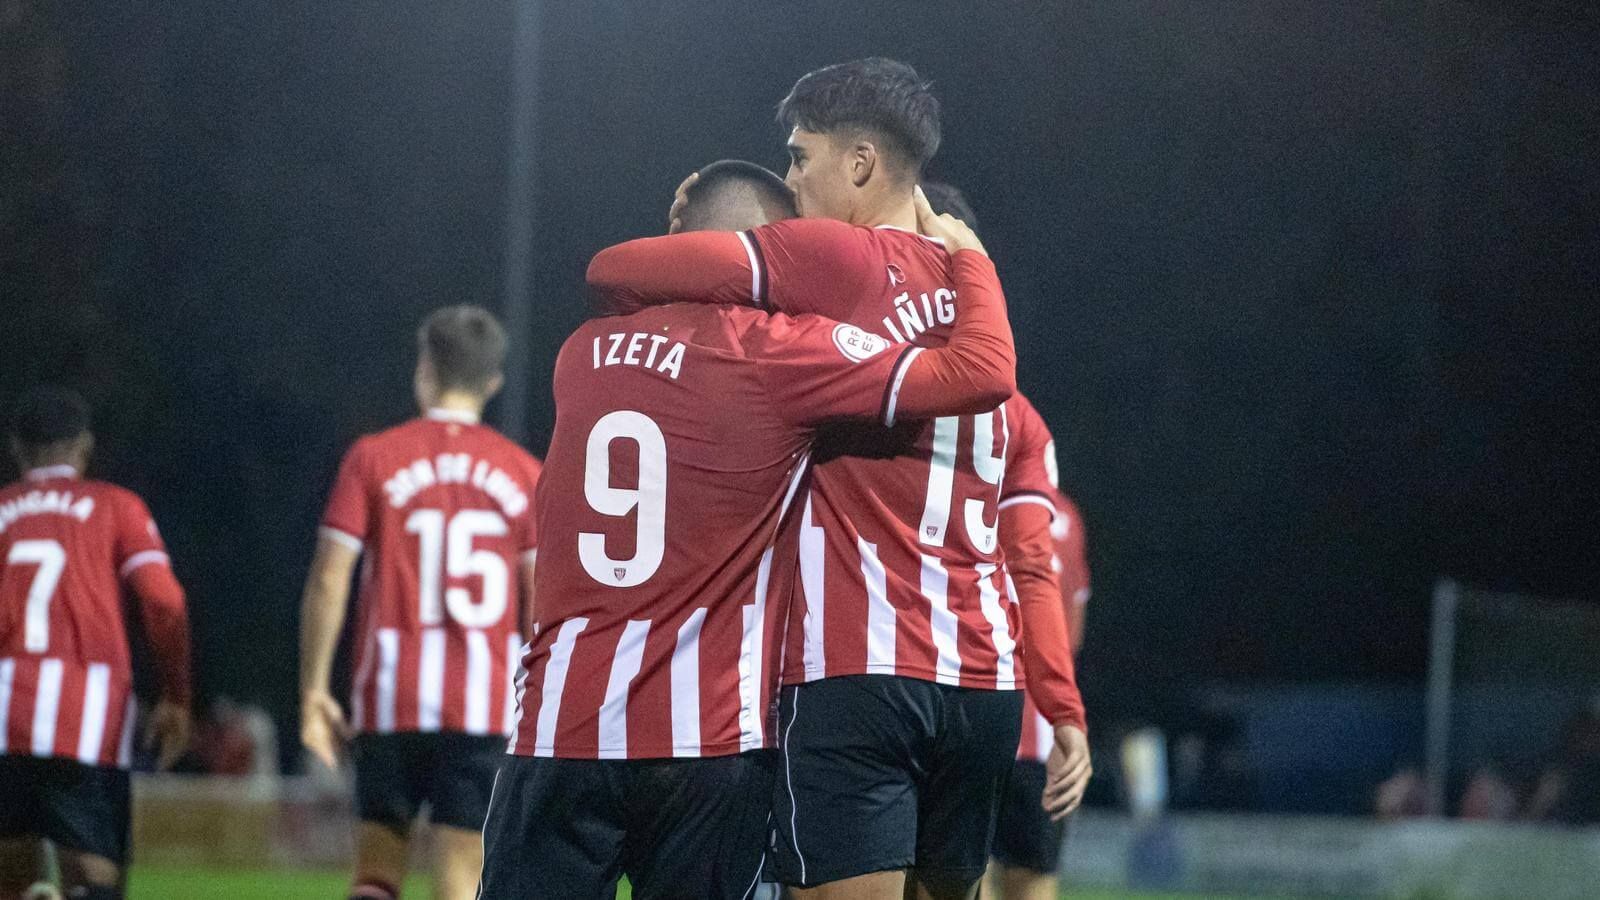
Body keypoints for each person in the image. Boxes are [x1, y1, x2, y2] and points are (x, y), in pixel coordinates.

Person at [585, 58, 1084, 900]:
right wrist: (1062, 709)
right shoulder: (976, 298)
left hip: (858, 669)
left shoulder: (830, 259)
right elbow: (1030, 559)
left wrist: (688, 234)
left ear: (859, 164)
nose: (788, 180)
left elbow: (613, 273)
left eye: (800, 157)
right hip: (983, 684)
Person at [481, 161, 1017, 900]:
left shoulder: (582, 354)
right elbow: (972, 373)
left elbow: (618, 278)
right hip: (711, 740)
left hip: (560, 725)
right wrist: (968, 263)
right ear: (768, 250)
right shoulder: (781, 351)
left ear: (679, 237)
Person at [298, 307, 542, 900]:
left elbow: (332, 578)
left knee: (377, 873)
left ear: (425, 367)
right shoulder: (525, 473)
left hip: (391, 697)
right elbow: (541, 606)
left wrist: (312, 692)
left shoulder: (374, 457)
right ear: (492, 383)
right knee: (460, 879)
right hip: (484, 703)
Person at [0, 386, 192, 900]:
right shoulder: (116, 507)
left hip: (3, 715)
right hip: (84, 715)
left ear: (18, 449)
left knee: (9, 873)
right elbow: (164, 602)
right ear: (83, 447)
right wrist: (176, 694)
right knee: (95, 878)